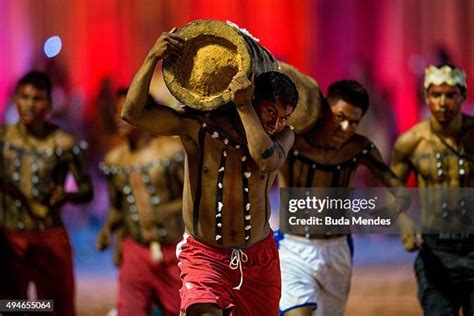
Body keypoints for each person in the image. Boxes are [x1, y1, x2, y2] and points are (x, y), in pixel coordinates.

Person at [121, 28, 298, 315]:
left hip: (259, 260)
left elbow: (265, 160)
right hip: (205, 257)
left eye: (284, 117)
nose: (277, 123)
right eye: (270, 112)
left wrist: (245, 108)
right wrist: (152, 57)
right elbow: (132, 113)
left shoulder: (284, 137)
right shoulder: (198, 128)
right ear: (253, 97)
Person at [278, 80, 409, 316]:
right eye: (340, 117)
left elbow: (399, 188)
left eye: (354, 122)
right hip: (293, 247)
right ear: (325, 109)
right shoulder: (292, 141)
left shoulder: (359, 147)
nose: (347, 127)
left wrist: (392, 212)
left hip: (337, 251)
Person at [0, 71, 94, 315]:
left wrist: (67, 196)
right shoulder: (3, 139)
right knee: (11, 306)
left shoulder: (64, 144)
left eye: (37, 99)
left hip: (50, 237)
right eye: (24, 97)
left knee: (56, 307)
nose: (30, 105)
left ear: (50, 104)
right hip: (11, 240)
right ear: (15, 100)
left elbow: (87, 191)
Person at [391, 64, 474, 315]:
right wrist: (404, 222)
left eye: (450, 95)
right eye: (436, 95)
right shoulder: (412, 142)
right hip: (434, 250)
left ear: (462, 96)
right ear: (426, 97)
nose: (443, 102)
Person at [96, 88, 184, 316]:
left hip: (175, 251)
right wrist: (108, 230)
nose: (118, 118)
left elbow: (197, 200)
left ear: (147, 113)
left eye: (125, 111)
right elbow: (117, 207)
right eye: (115, 112)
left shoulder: (172, 152)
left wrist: (169, 210)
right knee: (130, 310)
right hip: (135, 251)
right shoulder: (115, 161)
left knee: (180, 309)